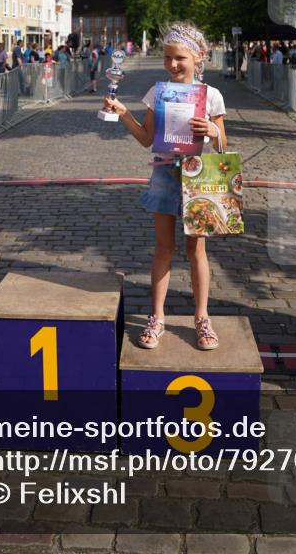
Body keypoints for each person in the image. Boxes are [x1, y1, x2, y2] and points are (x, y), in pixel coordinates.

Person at [102, 21, 227, 352]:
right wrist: (123, 112)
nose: (173, 64)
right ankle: (156, 317)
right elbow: (146, 139)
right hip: (163, 173)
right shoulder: (158, 93)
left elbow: (223, 145)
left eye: (180, 58)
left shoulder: (211, 96)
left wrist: (214, 133)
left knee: (196, 249)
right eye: (168, 58)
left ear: (198, 57)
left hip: (199, 174)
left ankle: (201, 317)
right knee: (163, 248)